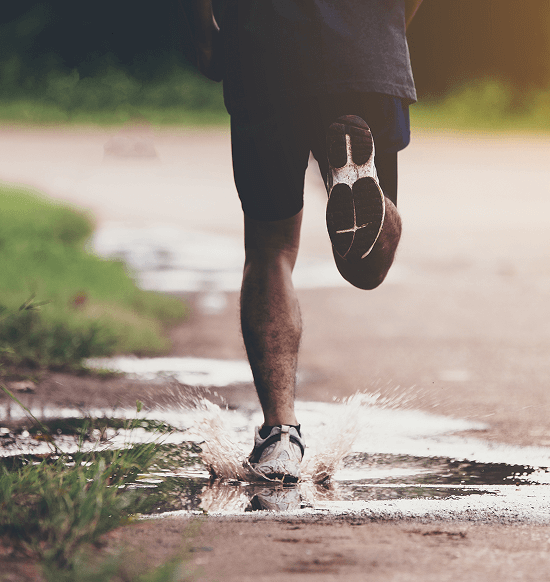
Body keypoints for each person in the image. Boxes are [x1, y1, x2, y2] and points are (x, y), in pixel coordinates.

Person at [180, 0, 423, 482]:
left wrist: (202, 32)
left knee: (270, 248)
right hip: (366, 44)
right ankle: (356, 172)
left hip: (262, 48)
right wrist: (387, 25)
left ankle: (279, 436)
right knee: (366, 268)